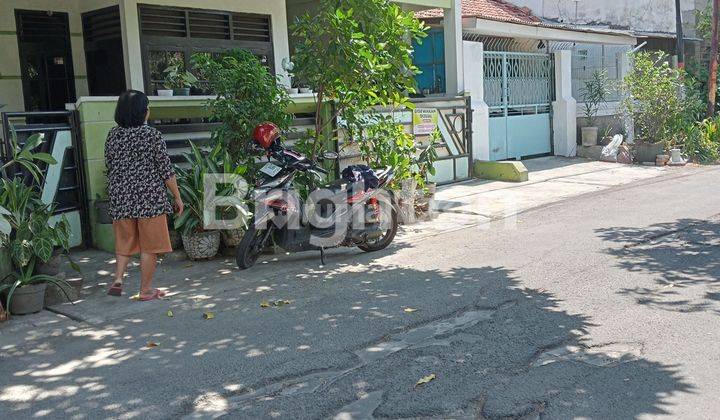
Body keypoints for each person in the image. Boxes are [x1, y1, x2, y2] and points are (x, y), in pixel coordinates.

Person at [105, 90, 183, 301]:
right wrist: (177, 196)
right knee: (150, 247)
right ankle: (146, 289)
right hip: (150, 199)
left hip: (121, 199)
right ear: (143, 112)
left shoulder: (113, 135)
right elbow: (166, 171)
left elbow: (110, 165)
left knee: (124, 242)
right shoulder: (152, 135)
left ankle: (118, 280)